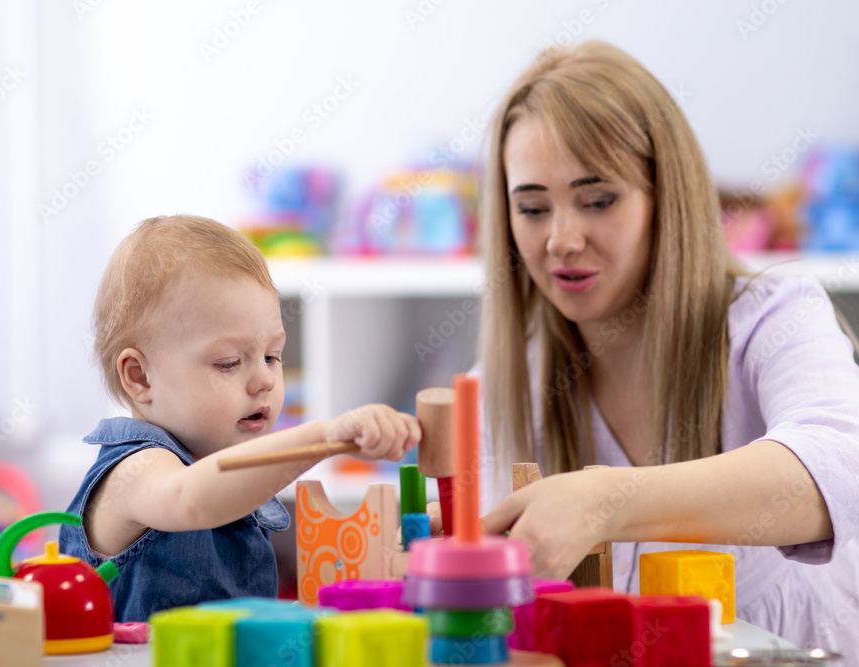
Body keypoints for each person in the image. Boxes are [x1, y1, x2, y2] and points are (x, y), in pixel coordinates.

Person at [470, 41, 859, 655]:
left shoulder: (774, 316)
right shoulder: (508, 382)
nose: (561, 239)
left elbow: (838, 469)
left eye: (598, 200)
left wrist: (607, 500)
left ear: (665, 197)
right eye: (533, 208)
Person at [60, 215, 420, 622]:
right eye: (229, 363)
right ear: (140, 377)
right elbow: (191, 499)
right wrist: (322, 434)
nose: (265, 379)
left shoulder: (222, 470)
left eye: (272, 356)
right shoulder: (135, 469)